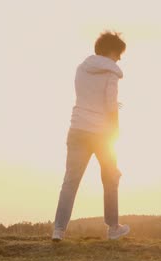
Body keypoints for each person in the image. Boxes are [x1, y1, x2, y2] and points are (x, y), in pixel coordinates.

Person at [52, 31, 130, 241]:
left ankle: (58, 230)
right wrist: (116, 130)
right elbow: (110, 104)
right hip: (102, 133)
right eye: (118, 53)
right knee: (110, 177)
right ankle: (113, 228)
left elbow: (87, 97)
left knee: (70, 181)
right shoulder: (111, 73)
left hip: (77, 129)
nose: (119, 58)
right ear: (111, 51)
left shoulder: (81, 68)